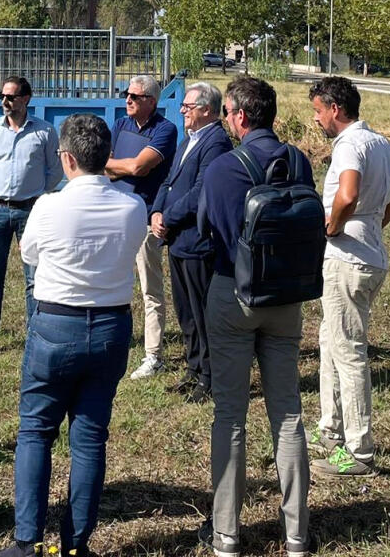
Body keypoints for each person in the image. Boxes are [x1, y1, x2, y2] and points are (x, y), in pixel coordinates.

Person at [0, 114, 148, 557]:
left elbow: (30, 254)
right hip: (110, 327)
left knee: (36, 431)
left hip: (55, 325)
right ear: (107, 158)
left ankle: (28, 541)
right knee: (89, 437)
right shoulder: (131, 205)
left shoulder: (47, 207)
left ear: (66, 159)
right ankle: (77, 545)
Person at [196, 77, 312, 557]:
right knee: (288, 415)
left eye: (226, 112)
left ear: (240, 116)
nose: (225, 119)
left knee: (231, 415)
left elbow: (207, 230)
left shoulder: (224, 168)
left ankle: (226, 535)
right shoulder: (298, 159)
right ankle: (298, 536)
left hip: (234, 294)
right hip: (287, 297)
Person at [307, 76, 390, 477]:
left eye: (318, 111)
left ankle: (359, 451)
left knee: (348, 352)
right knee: (330, 339)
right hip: (370, 252)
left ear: (335, 110)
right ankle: (331, 428)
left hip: (346, 257)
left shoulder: (348, 145)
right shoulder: (382, 144)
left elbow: (347, 194)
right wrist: (367, 230)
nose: (317, 119)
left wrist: (332, 228)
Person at [149, 82, 232, 403]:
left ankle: (209, 376)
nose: (182, 110)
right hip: (177, 239)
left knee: (201, 312)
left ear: (207, 110)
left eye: (188, 106)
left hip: (197, 241)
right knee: (185, 312)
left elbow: (202, 191)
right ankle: (194, 367)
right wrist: (156, 210)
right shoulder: (189, 140)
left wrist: (168, 217)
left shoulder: (216, 143)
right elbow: (169, 181)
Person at [0, 76, 61, 359]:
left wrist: (33, 195)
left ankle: (34, 336)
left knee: (34, 277)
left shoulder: (44, 132)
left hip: (30, 211)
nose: (4, 102)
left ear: (26, 99)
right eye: (2, 96)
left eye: (11, 96)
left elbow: (54, 172)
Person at [104, 74, 178, 379]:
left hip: (147, 217)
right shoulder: (120, 125)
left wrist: (122, 166)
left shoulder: (166, 130)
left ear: (152, 101)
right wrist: (127, 165)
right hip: (116, 213)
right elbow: (101, 165)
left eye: (134, 96)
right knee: (111, 283)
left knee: (150, 289)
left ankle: (153, 355)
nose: (128, 100)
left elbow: (137, 166)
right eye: (126, 94)